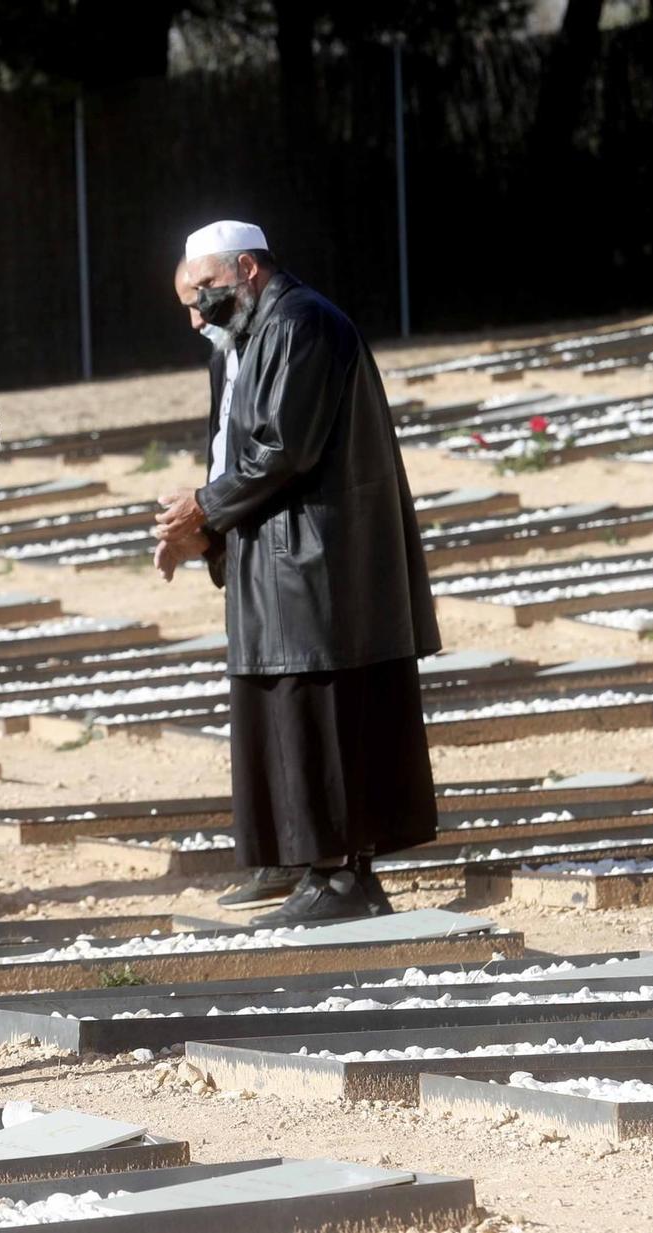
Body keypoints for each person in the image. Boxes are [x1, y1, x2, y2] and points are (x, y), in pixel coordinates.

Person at [154, 220, 442, 926]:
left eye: (203, 297)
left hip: (316, 558)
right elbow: (239, 449)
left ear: (246, 269)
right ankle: (293, 858)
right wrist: (209, 533)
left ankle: (342, 874)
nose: (196, 319)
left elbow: (286, 448)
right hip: (276, 553)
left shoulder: (301, 322)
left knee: (319, 713)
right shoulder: (252, 332)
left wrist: (205, 507)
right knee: (279, 713)